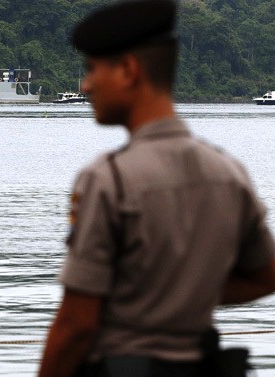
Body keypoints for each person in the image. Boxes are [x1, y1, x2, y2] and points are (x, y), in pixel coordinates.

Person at [38, 1, 275, 376]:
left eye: (92, 69)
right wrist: (187, 296)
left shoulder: (108, 180)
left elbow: (76, 326)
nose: (85, 86)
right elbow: (266, 275)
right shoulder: (229, 172)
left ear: (129, 70)